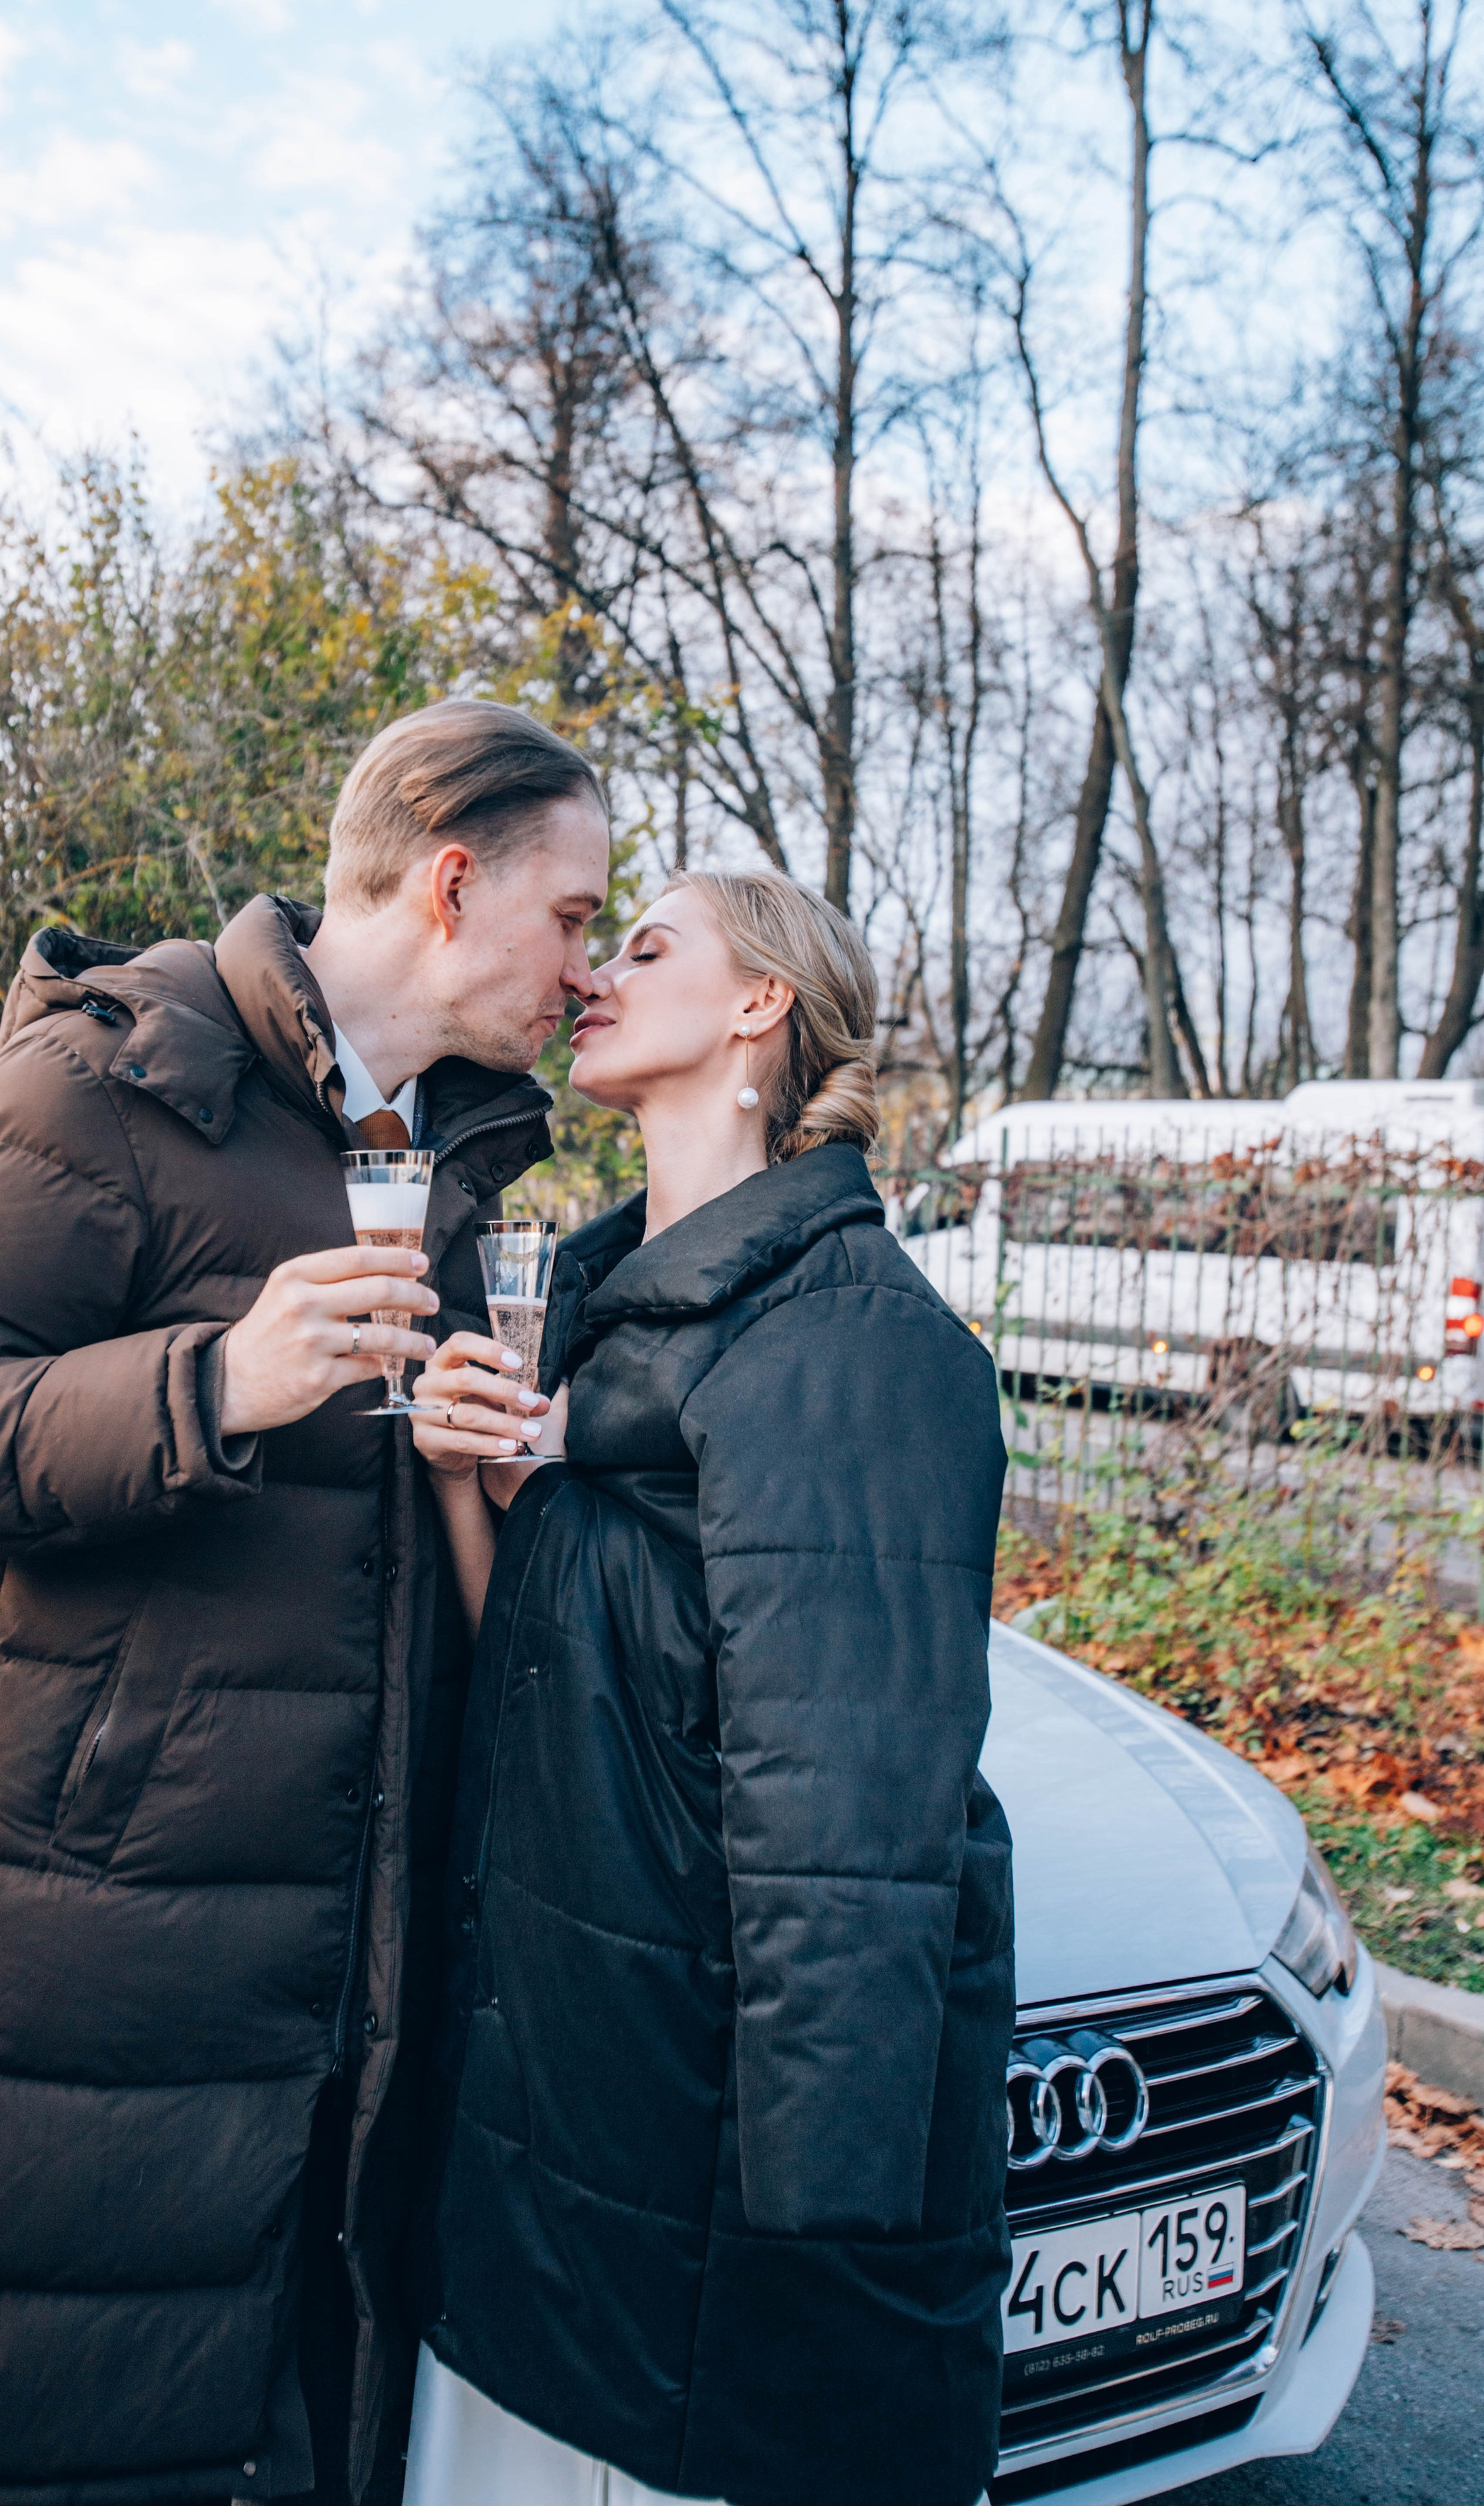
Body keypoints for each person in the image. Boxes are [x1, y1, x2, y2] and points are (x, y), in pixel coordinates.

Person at [0, 699, 605, 2506]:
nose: (581, 968)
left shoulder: (450, 1159)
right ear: (454, 879)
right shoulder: (112, 1075)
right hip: (104, 1979)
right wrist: (209, 1386)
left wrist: (486, 1479)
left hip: (343, 1989)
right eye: (571, 917)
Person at [401, 868, 1013, 2506]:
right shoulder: (609, 1335)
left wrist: (818, 2281)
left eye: (647, 944)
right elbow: (544, 1704)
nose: (596, 969)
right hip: (553, 2160)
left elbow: (849, 1850)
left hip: (695, 2270)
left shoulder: (845, 1344)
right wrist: (476, 1480)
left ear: (758, 1009)